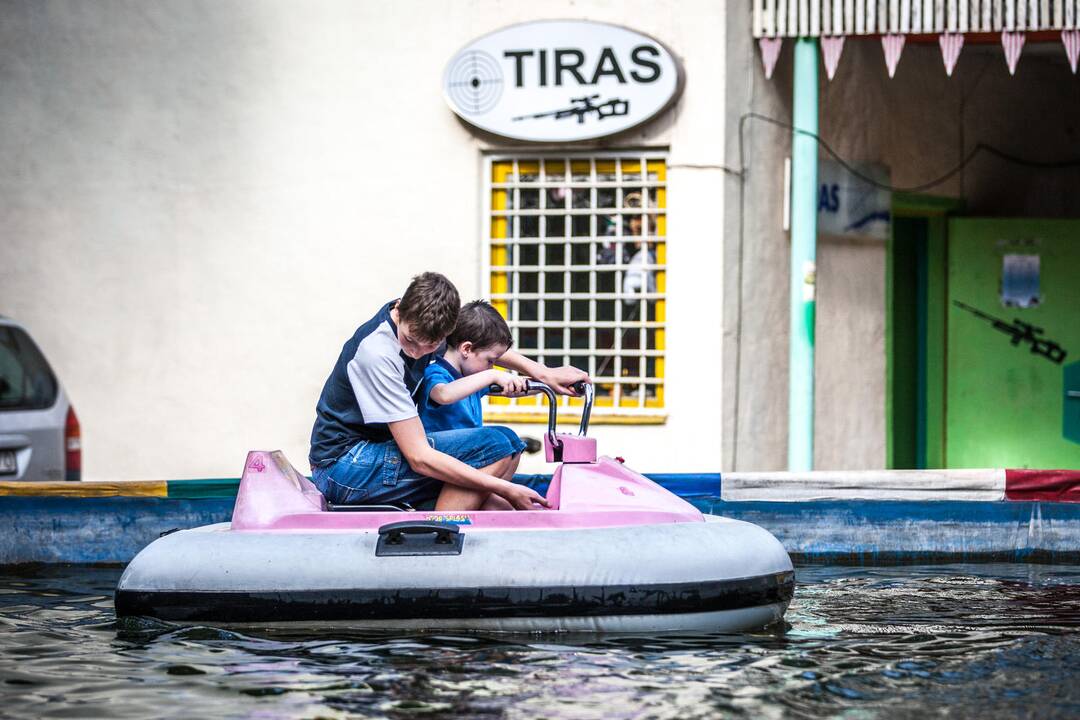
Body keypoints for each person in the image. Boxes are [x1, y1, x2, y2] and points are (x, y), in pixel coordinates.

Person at [308, 272, 587, 512]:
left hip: (378, 452)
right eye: (410, 341)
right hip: (344, 466)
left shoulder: (425, 318)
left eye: (431, 347)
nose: (417, 352)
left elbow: (484, 347)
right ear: (401, 310)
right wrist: (504, 487)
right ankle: (442, 533)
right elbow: (419, 457)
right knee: (502, 444)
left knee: (492, 502)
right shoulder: (378, 355)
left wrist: (544, 374)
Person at [418, 300, 527, 434]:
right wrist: (492, 375)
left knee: (509, 438)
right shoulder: (435, 372)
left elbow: (519, 387)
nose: (492, 367)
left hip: (470, 449)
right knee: (496, 437)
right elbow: (443, 394)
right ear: (467, 349)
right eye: (490, 361)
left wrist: (546, 384)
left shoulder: (472, 377)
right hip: (437, 448)